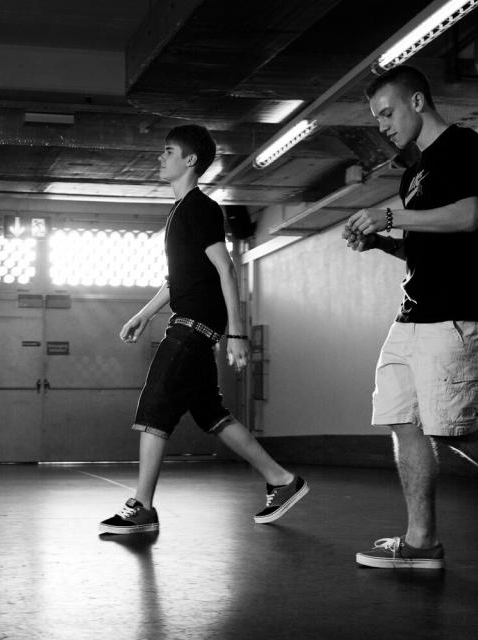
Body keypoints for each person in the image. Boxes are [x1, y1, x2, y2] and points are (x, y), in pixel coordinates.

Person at [342, 65, 478, 568]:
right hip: (412, 313)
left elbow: (468, 217)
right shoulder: (414, 174)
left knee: (449, 429)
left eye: (387, 112)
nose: (382, 126)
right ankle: (421, 543)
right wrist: (379, 242)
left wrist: (388, 216)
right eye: (376, 118)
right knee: (403, 420)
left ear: (417, 102)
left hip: (460, 312)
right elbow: (426, 249)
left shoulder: (465, 146)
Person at [98, 124, 308, 535]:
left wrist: (238, 332)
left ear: (190, 160)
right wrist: (144, 314)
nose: (160, 157)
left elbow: (226, 268)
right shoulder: (180, 212)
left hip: (192, 331)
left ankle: (142, 507)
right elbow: (178, 279)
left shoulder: (200, 208)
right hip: (188, 324)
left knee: (155, 407)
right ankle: (283, 480)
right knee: (212, 414)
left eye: (168, 150)